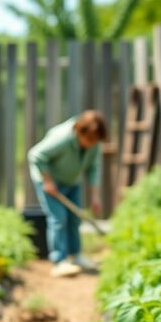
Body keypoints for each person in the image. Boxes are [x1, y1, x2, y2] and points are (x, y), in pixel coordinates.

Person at [28, 110, 106, 277]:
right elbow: (35, 155)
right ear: (79, 132)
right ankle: (59, 261)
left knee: (74, 218)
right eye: (89, 140)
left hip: (71, 181)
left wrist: (95, 195)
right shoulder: (62, 138)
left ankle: (76, 255)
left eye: (95, 141)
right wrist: (48, 180)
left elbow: (94, 168)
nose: (92, 144)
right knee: (58, 219)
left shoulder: (94, 141)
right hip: (49, 182)